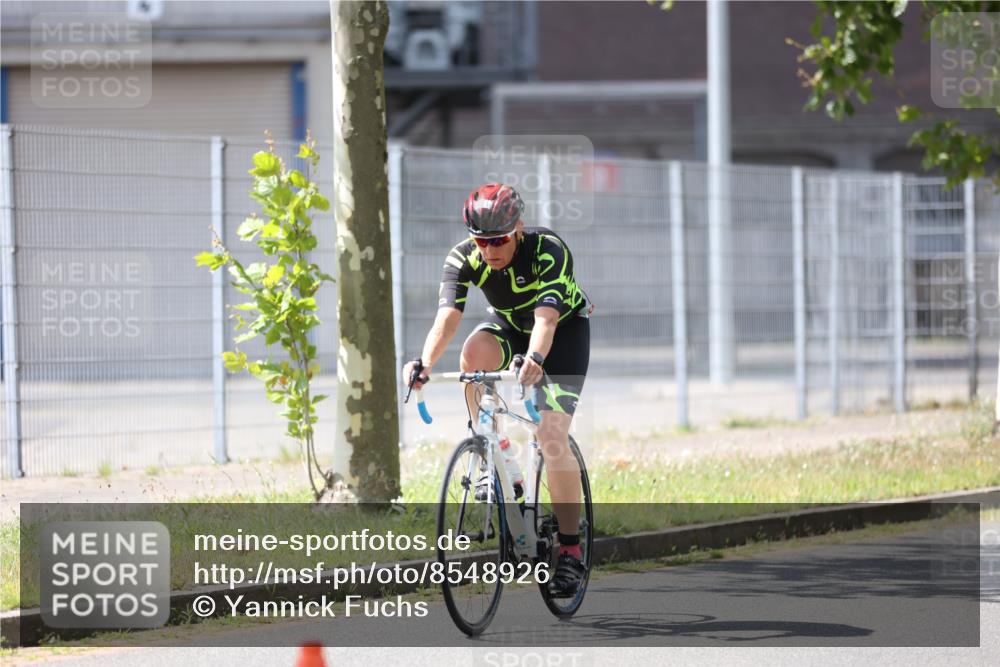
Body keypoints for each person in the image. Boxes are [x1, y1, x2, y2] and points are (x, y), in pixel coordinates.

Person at [402, 183, 592, 597]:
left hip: (560, 334)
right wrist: (424, 364)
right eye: (481, 241)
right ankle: (490, 450)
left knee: (552, 439)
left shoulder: (548, 250)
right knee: (472, 355)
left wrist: (536, 361)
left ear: (518, 228)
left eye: (499, 239)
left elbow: (546, 322)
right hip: (509, 327)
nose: (490, 249)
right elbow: (447, 319)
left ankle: (572, 550)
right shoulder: (463, 257)